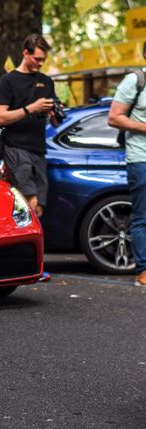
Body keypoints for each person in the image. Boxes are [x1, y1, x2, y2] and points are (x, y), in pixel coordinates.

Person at [0, 33, 60, 283]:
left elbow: (54, 119)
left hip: (39, 149)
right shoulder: (8, 81)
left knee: (38, 206)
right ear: (26, 53)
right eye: (37, 59)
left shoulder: (46, 81)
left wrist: (54, 113)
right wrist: (31, 108)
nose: (40, 63)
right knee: (30, 200)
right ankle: (33, 266)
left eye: (43, 59)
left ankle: (23, 260)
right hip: (16, 147)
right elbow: (0, 117)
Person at [108, 43, 146, 286]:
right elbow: (114, 117)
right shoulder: (136, 80)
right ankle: (143, 271)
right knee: (144, 215)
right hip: (141, 157)